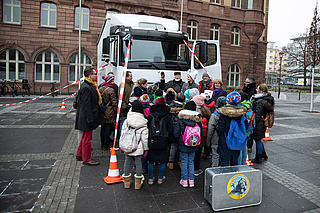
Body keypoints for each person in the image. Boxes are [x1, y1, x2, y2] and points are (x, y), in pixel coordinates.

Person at [76, 67, 103, 166]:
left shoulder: (88, 85)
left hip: (86, 117)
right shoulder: (86, 87)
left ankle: (79, 154)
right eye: (94, 74)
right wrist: (90, 119)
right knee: (87, 139)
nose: (96, 76)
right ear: (89, 75)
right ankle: (86, 159)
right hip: (86, 117)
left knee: (84, 137)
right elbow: (86, 106)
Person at [174, 101, 203, 188]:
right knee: (191, 161)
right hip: (194, 144)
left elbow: (176, 133)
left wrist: (178, 142)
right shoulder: (197, 120)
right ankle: (191, 181)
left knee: (184, 161)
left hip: (183, 144)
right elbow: (201, 134)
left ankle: (184, 180)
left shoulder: (181, 120)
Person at [122, 101, 149, 189]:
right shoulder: (144, 122)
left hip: (128, 146)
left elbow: (122, 133)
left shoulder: (127, 121)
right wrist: (146, 149)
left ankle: (126, 182)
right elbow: (144, 139)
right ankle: (138, 183)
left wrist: (122, 145)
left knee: (127, 163)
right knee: (138, 163)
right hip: (138, 147)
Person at [147, 97, 173, 185]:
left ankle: (150, 178)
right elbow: (171, 129)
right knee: (162, 160)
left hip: (152, 140)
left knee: (150, 160)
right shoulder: (167, 116)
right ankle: (160, 178)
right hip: (163, 141)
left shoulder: (150, 116)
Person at [216, 92, 247, 166]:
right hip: (237, 141)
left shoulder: (224, 114)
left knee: (224, 162)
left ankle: (225, 176)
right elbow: (246, 126)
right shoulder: (242, 113)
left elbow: (220, 129)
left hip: (225, 142)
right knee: (235, 162)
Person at [250, 84, 274, 164]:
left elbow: (258, 114)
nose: (256, 90)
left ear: (261, 91)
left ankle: (258, 157)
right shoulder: (266, 99)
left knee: (258, 140)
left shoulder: (260, 101)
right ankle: (263, 154)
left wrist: (253, 124)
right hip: (262, 122)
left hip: (259, 122)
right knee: (258, 139)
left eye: (257, 89)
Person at [192, 94, 211, 176]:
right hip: (202, 135)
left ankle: (193, 168)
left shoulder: (194, 112)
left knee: (193, 153)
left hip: (194, 136)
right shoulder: (205, 111)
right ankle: (197, 168)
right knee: (198, 152)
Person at [167, 92, 186, 170]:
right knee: (181, 145)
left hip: (172, 128)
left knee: (173, 145)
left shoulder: (170, 106)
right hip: (182, 129)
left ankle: (171, 162)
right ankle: (180, 161)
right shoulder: (184, 108)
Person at [206, 96, 226, 167]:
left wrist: (208, 142)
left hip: (215, 139)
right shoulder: (228, 113)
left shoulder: (214, 115)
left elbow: (210, 129)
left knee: (215, 156)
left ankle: (214, 172)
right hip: (226, 138)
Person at [99, 75, 117, 150]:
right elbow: (114, 102)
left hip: (102, 110)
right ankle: (106, 143)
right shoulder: (111, 90)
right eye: (112, 81)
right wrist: (116, 111)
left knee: (103, 127)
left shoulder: (100, 88)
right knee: (108, 127)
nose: (113, 82)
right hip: (109, 111)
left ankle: (102, 142)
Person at [242, 76, 257, 152]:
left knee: (250, 128)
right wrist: (245, 87)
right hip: (246, 108)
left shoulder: (253, 90)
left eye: (246, 82)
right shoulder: (246, 88)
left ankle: (249, 146)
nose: (245, 83)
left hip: (250, 110)